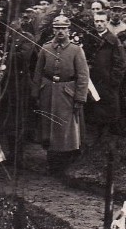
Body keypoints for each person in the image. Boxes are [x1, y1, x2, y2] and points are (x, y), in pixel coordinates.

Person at [32, 15, 89, 177]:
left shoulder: (76, 50)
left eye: (63, 28)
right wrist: (36, 93)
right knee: (49, 128)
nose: (60, 31)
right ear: (53, 29)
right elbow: (38, 72)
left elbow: (83, 76)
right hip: (48, 93)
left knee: (66, 129)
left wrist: (80, 98)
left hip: (67, 94)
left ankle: (66, 163)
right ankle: (52, 163)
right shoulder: (46, 48)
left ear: (69, 30)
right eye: (57, 28)